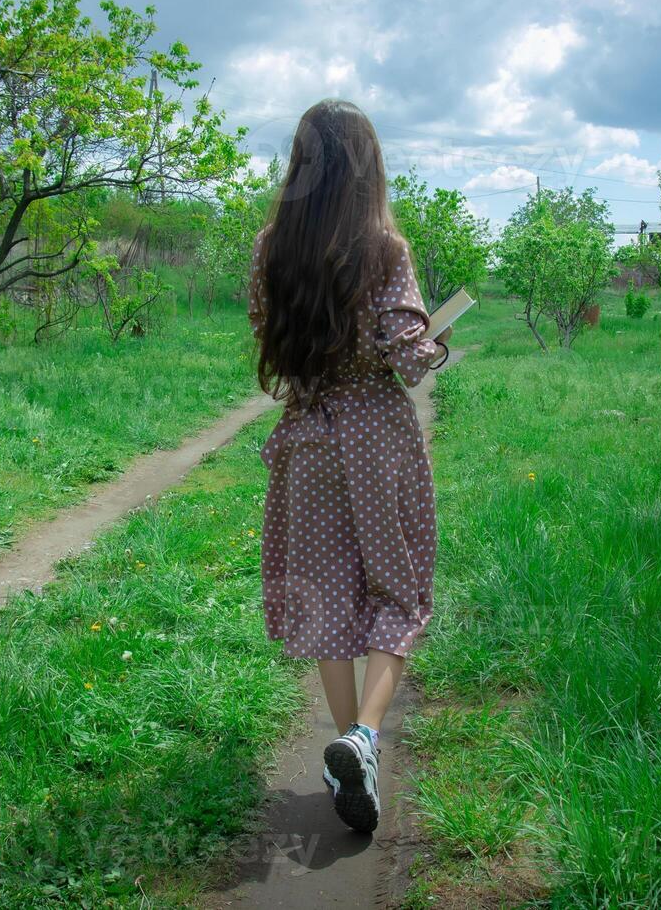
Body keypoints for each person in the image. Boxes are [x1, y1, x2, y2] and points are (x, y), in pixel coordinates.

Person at [247, 98, 450, 834]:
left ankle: (345, 766)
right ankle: (362, 738)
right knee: (399, 592)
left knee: (327, 599)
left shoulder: (272, 247)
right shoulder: (384, 249)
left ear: (302, 165)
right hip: (377, 440)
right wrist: (437, 341)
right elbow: (407, 355)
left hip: (308, 439)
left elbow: (266, 332)